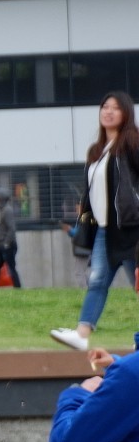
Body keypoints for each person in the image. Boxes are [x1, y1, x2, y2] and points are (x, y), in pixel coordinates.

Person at [52, 92, 139, 351]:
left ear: (126, 113)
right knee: (98, 280)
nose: (108, 112)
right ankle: (82, 334)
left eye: (115, 108)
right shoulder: (97, 150)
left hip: (132, 229)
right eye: (104, 107)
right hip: (104, 229)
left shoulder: (132, 142)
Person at [0, 188, 21, 289]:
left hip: (8, 245)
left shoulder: (8, 210)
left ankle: (18, 288)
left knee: (11, 268)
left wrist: (6, 243)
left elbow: (12, 228)